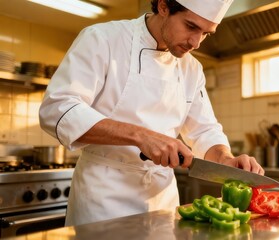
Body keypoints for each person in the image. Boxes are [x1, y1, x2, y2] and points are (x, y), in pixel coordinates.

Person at [39, 0, 264, 226]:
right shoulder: (103, 39)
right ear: (164, 6)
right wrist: (141, 136)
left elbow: (205, 130)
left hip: (162, 202)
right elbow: (58, 109)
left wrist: (226, 159)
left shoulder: (192, 69)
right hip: (103, 199)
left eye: (206, 33)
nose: (196, 43)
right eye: (191, 26)